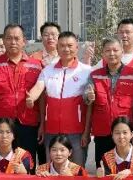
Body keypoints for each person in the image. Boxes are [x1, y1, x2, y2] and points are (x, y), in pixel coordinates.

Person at [0, 24, 45, 163]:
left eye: (17, 38)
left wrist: (42, 124)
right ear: (3, 41)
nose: (13, 42)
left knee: (27, 164)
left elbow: (41, 98)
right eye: (9, 38)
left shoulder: (36, 65)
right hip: (2, 127)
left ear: (24, 41)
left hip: (27, 123)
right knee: (1, 165)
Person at [29, 31, 92, 166]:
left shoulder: (86, 71)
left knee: (77, 171)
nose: (66, 49)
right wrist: (31, 98)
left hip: (76, 131)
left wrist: (86, 132)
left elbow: (90, 102)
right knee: (52, 170)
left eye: (70, 45)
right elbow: (39, 88)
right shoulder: (47, 70)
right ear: (57, 48)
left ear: (77, 47)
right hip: (51, 130)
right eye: (62, 46)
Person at [83, 37, 133, 171]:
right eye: (107, 51)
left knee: (128, 171)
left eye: (115, 50)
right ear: (103, 54)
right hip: (102, 134)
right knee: (103, 172)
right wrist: (88, 96)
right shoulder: (94, 75)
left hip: (125, 135)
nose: (112, 54)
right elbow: (87, 99)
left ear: (122, 52)